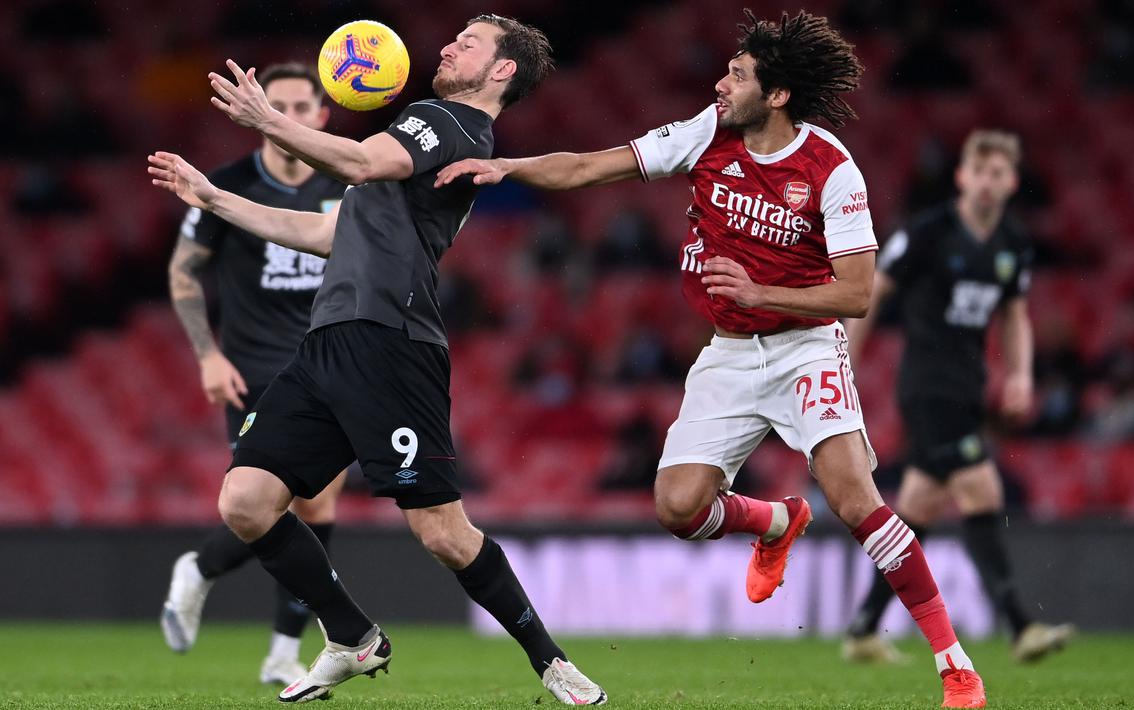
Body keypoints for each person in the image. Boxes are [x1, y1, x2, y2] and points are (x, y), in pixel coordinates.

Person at [437, 10, 985, 708]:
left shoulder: (830, 171)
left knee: (854, 498)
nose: (720, 83)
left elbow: (855, 292)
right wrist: (506, 164)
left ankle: (952, 661)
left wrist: (759, 288)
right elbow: (587, 166)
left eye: (737, 74)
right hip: (728, 353)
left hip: (803, 347)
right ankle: (775, 521)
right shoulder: (708, 132)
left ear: (777, 94)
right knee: (677, 508)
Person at [148, 15, 606, 705]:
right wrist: (215, 198)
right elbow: (319, 230)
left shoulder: (448, 123)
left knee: (443, 533)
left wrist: (267, 120)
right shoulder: (418, 144)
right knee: (246, 500)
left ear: (502, 71)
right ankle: (352, 637)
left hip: (391, 342)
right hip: (327, 340)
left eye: (470, 42)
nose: (449, 45)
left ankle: (550, 662)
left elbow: (363, 161)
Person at [841, 130, 1074, 665]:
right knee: (981, 489)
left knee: (919, 505)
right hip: (926, 384)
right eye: (980, 171)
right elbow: (875, 292)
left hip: (969, 384)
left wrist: (1019, 375)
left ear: (1012, 182)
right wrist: (846, 356)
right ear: (962, 177)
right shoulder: (928, 233)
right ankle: (1021, 626)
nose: (989, 183)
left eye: (1000, 174)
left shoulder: (1013, 243)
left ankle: (863, 628)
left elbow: (1014, 314)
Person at [159, 62, 349, 687]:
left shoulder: (344, 182)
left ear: (323, 118)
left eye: (303, 108)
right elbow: (185, 270)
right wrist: (207, 355)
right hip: (256, 369)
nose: (291, 119)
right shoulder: (231, 185)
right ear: (256, 112)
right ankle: (202, 569)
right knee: (280, 500)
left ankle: (279, 651)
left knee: (316, 507)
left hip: (327, 363)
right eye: (281, 106)